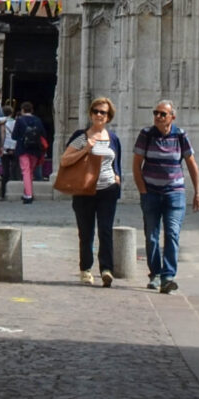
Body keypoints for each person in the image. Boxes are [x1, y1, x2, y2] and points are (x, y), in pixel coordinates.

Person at [133, 99, 199, 292]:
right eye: (155, 113)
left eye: (162, 114)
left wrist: (198, 192)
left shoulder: (180, 136)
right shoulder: (146, 135)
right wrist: (142, 190)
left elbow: (191, 164)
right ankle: (155, 273)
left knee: (172, 233)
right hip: (151, 193)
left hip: (175, 193)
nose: (158, 117)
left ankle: (168, 276)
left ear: (172, 116)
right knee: (152, 236)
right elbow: (136, 163)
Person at [61, 97, 123, 284]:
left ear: (108, 116)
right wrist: (85, 149)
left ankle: (106, 269)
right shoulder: (81, 136)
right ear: (90, 114)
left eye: (102, 112)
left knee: (105, 230)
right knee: (86, 232)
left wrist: (117, 177)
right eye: (95, 111)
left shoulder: (113, 138)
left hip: (107, 190)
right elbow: (65, 160)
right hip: (84, 190)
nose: (98, 115)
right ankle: (86, 269)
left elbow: (116, 161)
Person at [11, 100, 46, 203]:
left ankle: (28, 195)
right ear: (32, 110)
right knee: (30, 171)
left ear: (22, 110)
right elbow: (43, 133)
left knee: (25, 171)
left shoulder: (20, 120)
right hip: (35, 149)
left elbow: (14, 136)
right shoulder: (38, 120)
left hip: (23, 148)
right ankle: (27, 192)